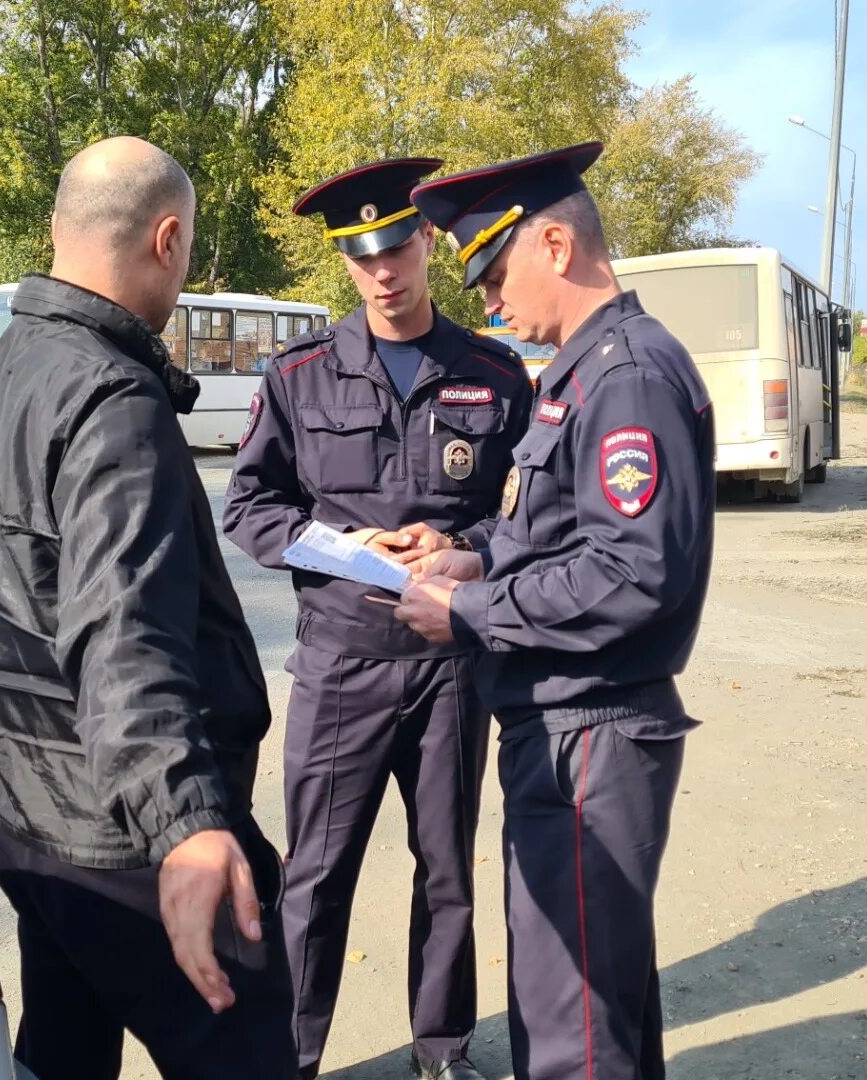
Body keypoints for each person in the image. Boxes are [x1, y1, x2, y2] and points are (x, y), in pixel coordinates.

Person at [0, 136, 293, 1080]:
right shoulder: (113, 399)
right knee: (250, 1042)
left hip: (28, 819)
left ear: (59, 231)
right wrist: (187, 827)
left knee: (60, 1050)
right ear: (168, 239)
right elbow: (120, 633)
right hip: (126, 839)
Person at [398, 142, 716, 1079]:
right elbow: (558, 534)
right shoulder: (584, 371)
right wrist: (469, 554)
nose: (490, 304)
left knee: (572, 1038)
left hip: (592, 731)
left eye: (495, 273)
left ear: (555, 245)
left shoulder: (627, 377)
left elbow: (631, 573)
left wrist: (470, 612)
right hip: (570, 724)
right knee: (593, 1012)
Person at [224, 157, 532, 1080]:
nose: (383, 272)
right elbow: (250, 507)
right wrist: (349, 550)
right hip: (341, 667)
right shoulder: (302, 374)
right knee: (313, 880)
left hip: (449, 669)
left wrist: (463, 544)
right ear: (346, 265)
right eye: (362, 259)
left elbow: (529, 514)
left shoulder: (493, 373)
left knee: (447, 874)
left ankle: (441, 1053)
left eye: (396, 247)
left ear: (426, 242)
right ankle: (292, 1057)